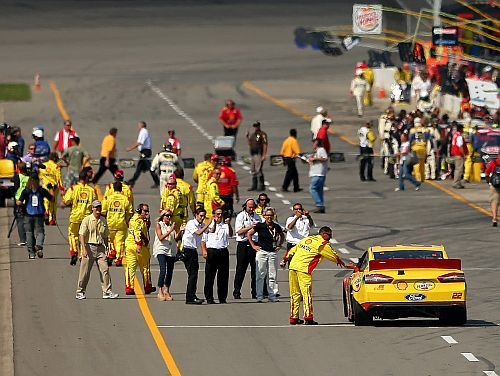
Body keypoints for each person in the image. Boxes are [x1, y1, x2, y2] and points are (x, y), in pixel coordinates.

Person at [284, 226, 347, 325]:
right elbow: (333, 256)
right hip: (304, 269)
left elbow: (293, 250)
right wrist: (345, 264)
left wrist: (285, 259)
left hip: (293, 267)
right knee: (306, 294)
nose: (330, 237)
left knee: (295, 294)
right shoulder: (323, 244)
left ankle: (294, 317)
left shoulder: (307, 239)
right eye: (329, 235)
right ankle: (308, 317)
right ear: (324, 234)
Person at [76, 200, 119, 300]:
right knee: (85, 272)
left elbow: (105, 235)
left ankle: (107, 292)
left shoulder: (103, 220)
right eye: (96, 207)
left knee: (105, 270)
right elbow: (81, 235)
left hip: (100, 248)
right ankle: (80, 291)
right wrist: (83, 249)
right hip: (89, 247)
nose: (98, 209)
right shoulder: (87, 220)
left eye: (99, 207)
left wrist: (107, 247)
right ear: (92, 208)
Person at [247, 207, 284, 303]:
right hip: (262, 252)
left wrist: (279, 245)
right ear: (264, 216)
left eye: (271, 215)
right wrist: (254, 246)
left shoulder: (276, 226)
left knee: (272, 275)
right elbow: (249, 234)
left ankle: (272, 295)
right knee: (260, 275)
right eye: (267, 215)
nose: (269, 217)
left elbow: (282, 235)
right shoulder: (260, 226)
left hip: (272, 252)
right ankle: (259, 295)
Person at [62, 168, 98, 265]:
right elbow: (95, 204)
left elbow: (66, 201)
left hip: (75, 217)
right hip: (86, 218)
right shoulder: (91, 190)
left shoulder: (73, 188)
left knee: (73, 235)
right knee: (85, 237)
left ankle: (74, 251)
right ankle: (83, 255)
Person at [16, 174, 53, 259]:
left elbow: (19, 202)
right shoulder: (41, 191)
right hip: (39, 215)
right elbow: (51, 199)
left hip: (28, 215)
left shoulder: (26, 191)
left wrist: (20, 204)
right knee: (40, 232)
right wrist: (50, 189)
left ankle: (31, 253)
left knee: (29, 233)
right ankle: (38, 245)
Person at [201, 207, 233, 304]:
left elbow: (230, 234)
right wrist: (204, 250)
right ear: (214, 215)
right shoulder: (209, 225)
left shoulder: (225, 225)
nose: (219, 216)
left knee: (223, 276)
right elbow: (203, 239)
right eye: (217, 214)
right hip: (212, 251)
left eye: (221, 214)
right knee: (210, 275)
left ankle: (222, 297)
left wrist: (229, 224)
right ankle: (209, 297)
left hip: (222, 251)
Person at [181, 208, 211, 304]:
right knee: (192, 274)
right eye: (200, 216)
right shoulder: (191, 223)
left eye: (203, 216)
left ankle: (192, 295)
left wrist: (214, 222)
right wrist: (207, 224)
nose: (202, 218)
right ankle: (190, 298)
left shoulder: (202, 225)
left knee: (194, 274)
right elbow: (198, 232)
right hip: (188, 250)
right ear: (196, 215)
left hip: (193, 251)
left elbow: (211, 231)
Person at [153, 210, 184, 301]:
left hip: (171, 250)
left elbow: (176, 238)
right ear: (163, 216)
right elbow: (161, 237)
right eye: (167, 216)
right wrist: (170, 230)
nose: (169, 217)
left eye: (170, 216)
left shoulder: (171, 226)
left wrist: (180, 231)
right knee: (163, 269)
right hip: (161, 249)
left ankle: (167, 290)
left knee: (170, 270)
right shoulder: (159, 225)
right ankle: (160, 291)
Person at [124, 203, 155, 295]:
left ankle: (129, 288)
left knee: (130, 267)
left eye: (147, 211)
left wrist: (147, 220)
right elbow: (137, 232)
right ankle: (147, 286)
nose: (147, 213)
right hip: (140, 246)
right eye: (145, 211)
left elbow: (144, 229)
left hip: (130, 246)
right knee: (145, 267)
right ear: (139, 210)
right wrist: (139, 244)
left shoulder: (135, 219)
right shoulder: (139, 221)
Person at [233, 198, 261, 299]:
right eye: (249, 207)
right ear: (245, 206)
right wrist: (251, 227)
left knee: (255, 270)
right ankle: (237, 291)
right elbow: (239, 231)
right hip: (243, 244)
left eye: (253, 207)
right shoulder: (241, 216)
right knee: (241, 269)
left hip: (255, 244)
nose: (251, 209)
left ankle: (255, 292)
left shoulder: (257, 216)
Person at [101, 182, 133, 266]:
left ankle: (111, 252)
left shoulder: (108, 198)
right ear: (121, 189)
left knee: (109, 240)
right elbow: (130, 212)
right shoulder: (125, 199)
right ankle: (118, 259)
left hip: (110, 223)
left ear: (113, 189)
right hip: (121, 223)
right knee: (120, 242)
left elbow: (103, 211)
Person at [126, 121, 160, 189]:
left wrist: (130, 148)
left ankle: (157, 181)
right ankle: (132, 181)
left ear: (142, 125)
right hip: (143, 152)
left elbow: (140, 142)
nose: (138, 125)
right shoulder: (142, 131)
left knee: (150, 168)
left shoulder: (144, 132)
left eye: (139, 124)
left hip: (145, 152)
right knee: (139, 168)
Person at [39, 152, 64, 225]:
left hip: (44, 186)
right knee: (53, 203)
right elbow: (59, 179)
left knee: (45, 200)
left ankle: (46, 210)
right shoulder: (56, 167)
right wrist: (62, 189)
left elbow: (39, 176)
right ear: (55, 159)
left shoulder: (43, 165)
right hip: (53, 187)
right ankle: (51, 219)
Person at [246, 121, 267, 191]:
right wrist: (247, 137)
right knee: (253, 170)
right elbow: (250, 143)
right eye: (254, 126)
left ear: (259, 126)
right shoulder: (253, 135)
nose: (255, 127)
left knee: (258, 169)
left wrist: (264, 155)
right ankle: (254, 185)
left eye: (257, 126)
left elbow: (264, 144)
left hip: (259, 154)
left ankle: (261, 185)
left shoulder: (262, 134)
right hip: (253, 154)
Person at [308, 139, 328, 213]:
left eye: (314, 143)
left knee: (312, 188)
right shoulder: (317, 151)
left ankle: (319, 205)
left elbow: (324, 158)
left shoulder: (321, 150)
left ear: (317, 144)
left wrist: (314, 158)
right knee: (319, 190)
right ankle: (321, 206)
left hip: (318, 173)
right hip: (318, 173)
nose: (313, 145)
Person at [13, 162, 29, 246]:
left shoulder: (17, 177)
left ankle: (23, 240)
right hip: (28, 200)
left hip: (19, 200)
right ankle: (30, 238)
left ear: (18, 169)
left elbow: (14, 187)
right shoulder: (29, 177)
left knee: (20, 220)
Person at [485, 152, 500, 227]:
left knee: (494, 201)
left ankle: (494, 218)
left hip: (495, 185)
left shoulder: (493, 162)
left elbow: (487, 173)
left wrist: (488, 181)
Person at [450, 123, 467, 189]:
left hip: (455, 154)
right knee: (459, 169)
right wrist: (464, 154)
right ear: (461, 129)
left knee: (458, 169)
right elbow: (460, 146)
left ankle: (458, 183)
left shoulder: (455, 135)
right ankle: (456, 183)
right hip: (459, 154)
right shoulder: (459, 136)